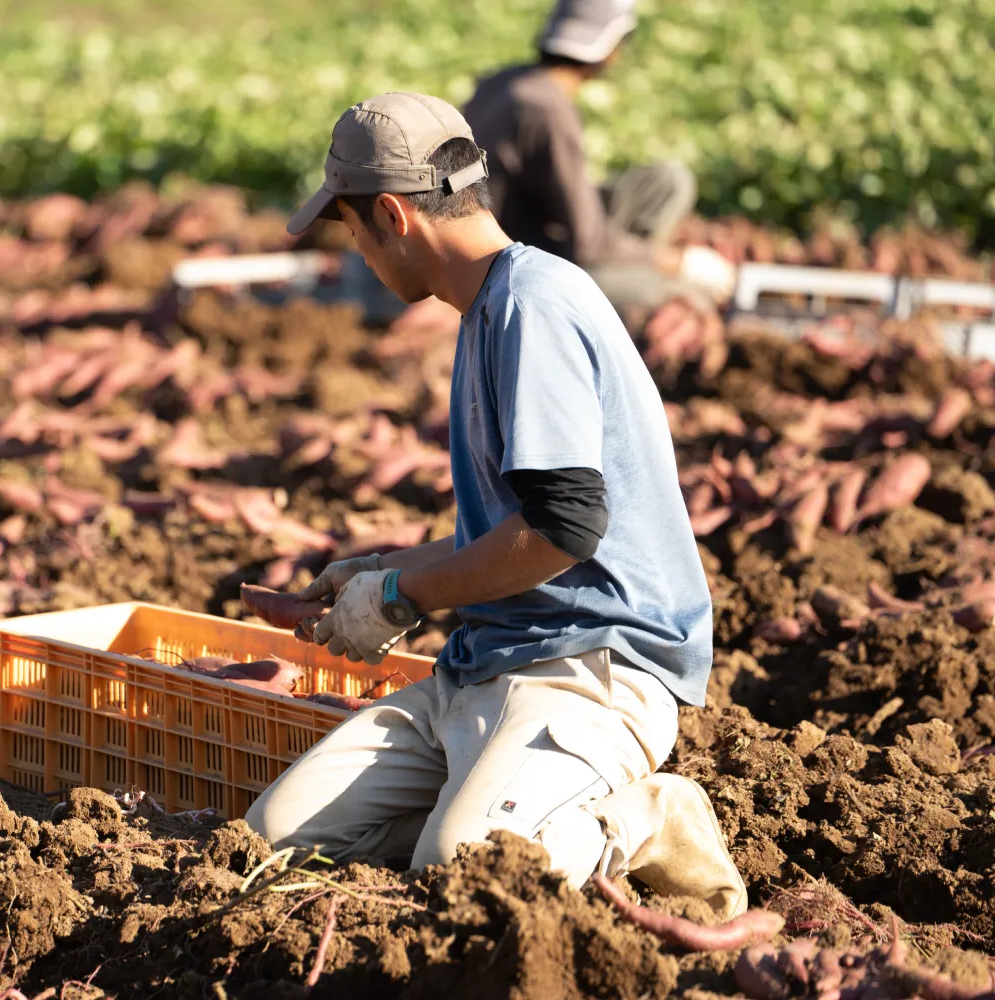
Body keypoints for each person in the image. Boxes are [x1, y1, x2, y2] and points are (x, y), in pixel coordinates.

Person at [245, 92, 747, 919]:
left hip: (592, 670)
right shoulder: (489, 307)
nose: (359, 257)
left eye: (353, 233)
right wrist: (376, 572)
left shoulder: (531, 307)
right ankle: (495, 807)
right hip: (483, 668)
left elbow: (563, 526)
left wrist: (403, 599)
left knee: (465, 870)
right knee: (280, 842)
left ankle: (649, 821)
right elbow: (514, 531)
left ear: (393, 216)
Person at [463, 0, 737, 309]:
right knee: (678, 295)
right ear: (610, 48)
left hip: (533, 221)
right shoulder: (546, 108)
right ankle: (628, 281)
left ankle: (631, 262)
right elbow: (587, 245)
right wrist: (676, 263)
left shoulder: (505, 81)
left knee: (669, 182)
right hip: (516, 263)